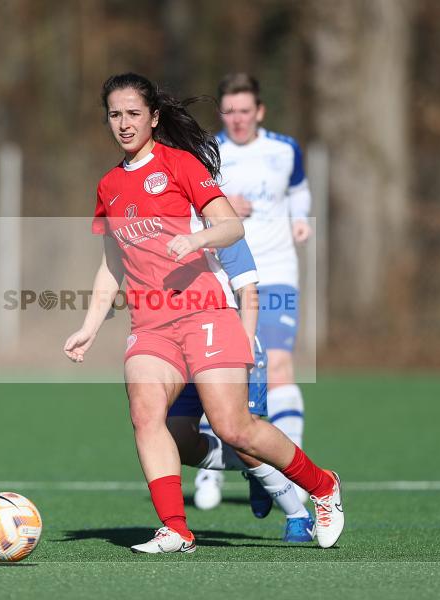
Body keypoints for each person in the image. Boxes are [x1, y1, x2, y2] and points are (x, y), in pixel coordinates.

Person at [64, 72, 343, 554]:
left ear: (153, 117)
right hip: (150, 324)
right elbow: (113, 262)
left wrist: (195, 238)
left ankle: (322, 487)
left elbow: (231, 228)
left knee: (234, 428)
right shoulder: (109, 185)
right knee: (145, 414)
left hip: (206, 313)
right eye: (115, 115)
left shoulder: (182, 165)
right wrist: (89, 326)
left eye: (134, 114)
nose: (124, 124)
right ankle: (176, 527)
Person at [193, 73, 314, 514]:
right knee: (219, 375)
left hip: (278, 273)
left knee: (279, 366)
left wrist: (301, 218)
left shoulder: (285, 149)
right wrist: (226, 207)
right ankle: (213, 472)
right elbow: (193, 206)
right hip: (226, 276)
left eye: (245, 111)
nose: (238, 119)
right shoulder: (209, 153)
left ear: (259, 111)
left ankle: (292, 474)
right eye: (230, 111)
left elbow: (299, 191)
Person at [166, 237, 316, 543]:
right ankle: (263, 466)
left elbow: (248, 289)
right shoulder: (158, 230)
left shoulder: (221, 228)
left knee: (242, 435)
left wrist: (245, 345)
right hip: (184, 345)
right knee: (176, 439)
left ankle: (298, 515)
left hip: (228, 343)